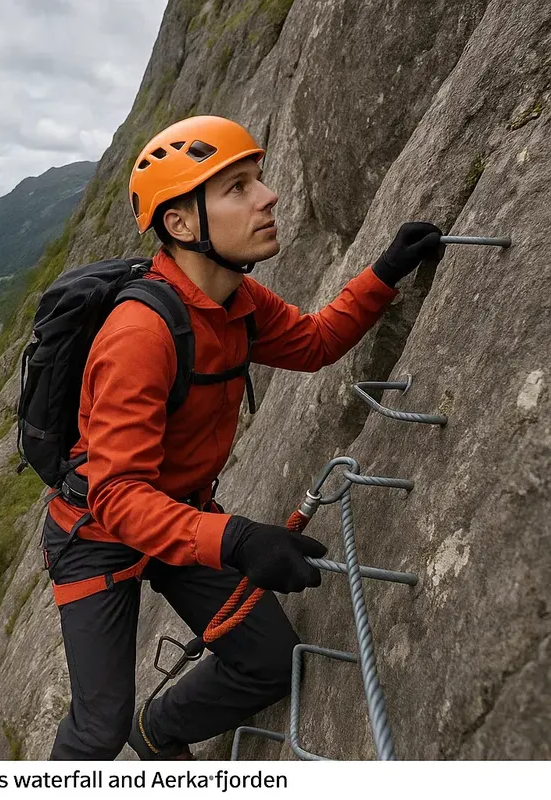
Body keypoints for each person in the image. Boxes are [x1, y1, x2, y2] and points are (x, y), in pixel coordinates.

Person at [43, 115, 445, 760]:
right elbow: (114, 496)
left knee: (269, 661)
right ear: (180, 224)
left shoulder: (238, 303)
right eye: (237, 188)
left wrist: (385, 273)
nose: (268, 197)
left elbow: (313, 343)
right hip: (98, 536)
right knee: (97, 726)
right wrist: (238, 538)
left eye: (257, 180)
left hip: (178, 517)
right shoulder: (139, 336)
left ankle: (161, 733)